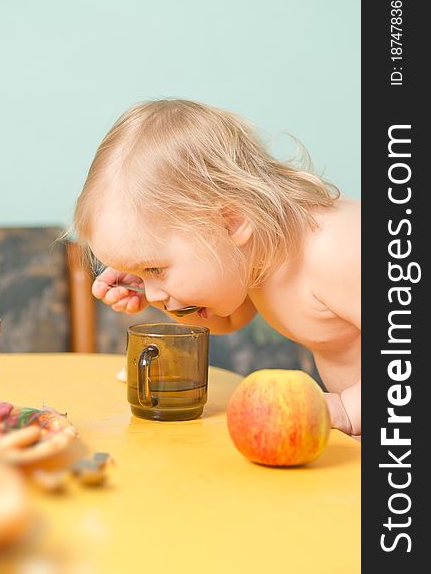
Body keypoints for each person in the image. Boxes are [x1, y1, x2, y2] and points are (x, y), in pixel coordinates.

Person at [73, 99, 361, 438]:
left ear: (231, 222)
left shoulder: (336, 250)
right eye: (141, 275)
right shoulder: (253, 255)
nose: (152, 291)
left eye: (155, 269)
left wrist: (347, 409)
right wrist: (161, 296)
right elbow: (227, 318)